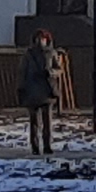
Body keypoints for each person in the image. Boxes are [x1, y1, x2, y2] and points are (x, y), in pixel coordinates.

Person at [17, 24, 60, 155]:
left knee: (47, 121)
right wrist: (21, 88)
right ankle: (35, 147)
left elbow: (59, 69)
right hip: (32, 91)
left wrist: (51, 72)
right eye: (39, 39)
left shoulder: (52, 53)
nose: (41, 41)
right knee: (34, 122)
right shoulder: (28, 55)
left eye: (43, 39)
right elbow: (22, 73)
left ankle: (47, 146)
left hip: (47, 91)